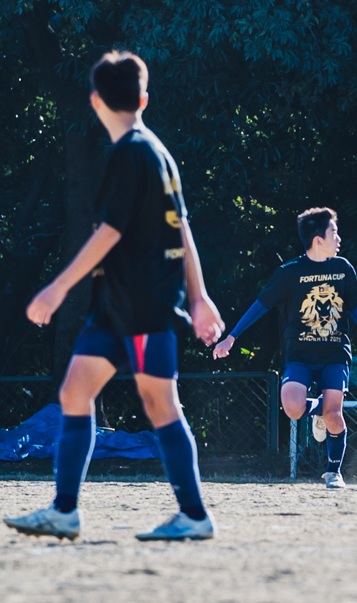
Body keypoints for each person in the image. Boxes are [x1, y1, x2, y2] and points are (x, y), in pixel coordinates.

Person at [7, 52, 225, 541]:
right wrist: (200, 296)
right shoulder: (157, 152)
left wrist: (57, 287)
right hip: (114, 308)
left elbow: (109, 232)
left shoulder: (131, 153)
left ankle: (194, 515)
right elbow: (183, 230)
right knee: (74, 392)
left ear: (95, 101)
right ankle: (64, 511)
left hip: (144, 305)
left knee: (161, 405)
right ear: (143, 99)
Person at [212, 208, 357, 488]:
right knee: (292, 407)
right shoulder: (289, 273)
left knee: (334, 414)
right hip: (299, 355)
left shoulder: (343, 268)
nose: (339, 238)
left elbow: (354, 304)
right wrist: (231, 337)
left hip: (335, 353)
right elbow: (261, 305)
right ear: (318, 239)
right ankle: (321, 410)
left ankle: (333, 472)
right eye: (334, 232)